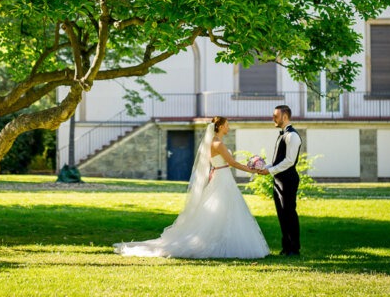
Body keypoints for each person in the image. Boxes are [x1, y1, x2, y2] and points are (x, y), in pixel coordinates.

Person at [114, 116, 270, 259]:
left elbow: (223, 163)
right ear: (220, 126)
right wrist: (254, 170)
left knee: (227, 209)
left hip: (221, 175)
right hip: (222, 178)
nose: (229, 127)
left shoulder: (214, 142)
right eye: (227, 125)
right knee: (224, 208)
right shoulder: (217, 143)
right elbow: (233, 163)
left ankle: (226, 240)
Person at [257, 104, 302, 256]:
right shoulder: (282, 135)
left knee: (289, 213)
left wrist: (269, 170)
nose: (273, 118)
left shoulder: (292, 136)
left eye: (275, 116)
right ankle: (286, 247)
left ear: (284, 117)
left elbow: (289, 161)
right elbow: (278, 161)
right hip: (279, 180)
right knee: (282, 214)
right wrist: (265, 167)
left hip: (288, 180)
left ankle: (294, 249)